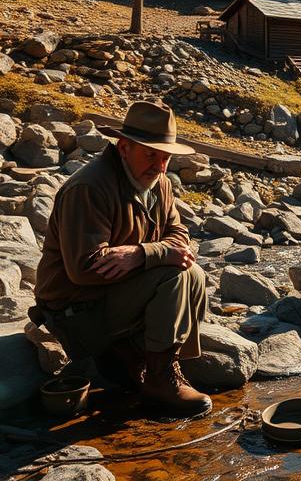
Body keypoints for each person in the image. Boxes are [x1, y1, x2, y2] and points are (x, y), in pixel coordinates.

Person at [32, 101, 212, 417]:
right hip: (74, 313)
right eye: (151, 154)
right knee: (177, 276)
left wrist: (142, 253)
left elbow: (179, 238)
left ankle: (149, 360)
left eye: (166, 156)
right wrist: (154, 256)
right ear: (124, 147)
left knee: (191, 271)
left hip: (112, 298)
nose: (160, 165)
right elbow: (85, 269)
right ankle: (160, 377)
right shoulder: (89, 187)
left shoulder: (161, 185)